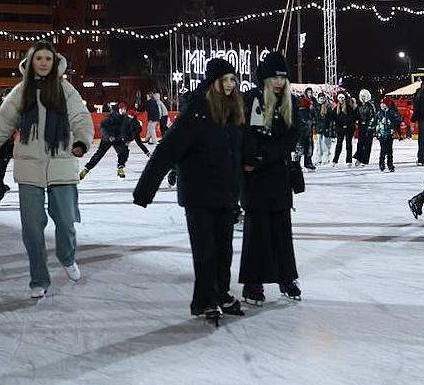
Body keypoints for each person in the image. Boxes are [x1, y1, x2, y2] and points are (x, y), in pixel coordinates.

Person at [0, 41, 94, 299]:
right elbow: (1, 127)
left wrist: (82, 142)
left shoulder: (65, 90)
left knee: (65, 220)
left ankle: (67, 256)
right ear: (30, 62)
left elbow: (81, 118)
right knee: (31, 227)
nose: (44, 63)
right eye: (39, 58)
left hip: (62, 160)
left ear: (55, 63)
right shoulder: (20, 92)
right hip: (29, 165)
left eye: (48, 59)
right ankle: (39, 278)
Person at [133, 58, 248, 324]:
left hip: (225, 192)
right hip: (198, 193)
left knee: (224, 250)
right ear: (213, 82)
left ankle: (221, 294)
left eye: (233, 79)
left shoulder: (235, 111)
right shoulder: (197, 111)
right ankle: (205, 301)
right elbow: (168, 149)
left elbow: (243, 151)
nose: (230, 85)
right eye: (225, 80)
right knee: (205, 251)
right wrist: (145, 190)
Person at [239, 51, 303, 306]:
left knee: (281, 230)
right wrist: (255, 157)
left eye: (283, 77)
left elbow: (292, 136)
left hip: (278, 175)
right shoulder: (254, 99)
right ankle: (253, 281)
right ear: (266, 78)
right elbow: (246, 133)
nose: (279, 82)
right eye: (275, 77)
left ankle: (286, 277)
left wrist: (269, 155)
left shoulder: (290, 102)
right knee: (256, 232)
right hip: (255, 177)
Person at [80, 101, 149, 179]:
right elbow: (103, 127)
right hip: (107, 139)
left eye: (124, 109)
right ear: (118, 109)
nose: (123, 111)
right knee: (99, 154)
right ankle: (86, 169)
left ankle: (121, 167)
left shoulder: (126, 119)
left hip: (118, 139)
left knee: (124, 152)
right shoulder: (111, 117)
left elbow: (133, 130)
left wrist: (128, 140)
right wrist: (109, 136)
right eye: (121, 109)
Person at [372, 96, 402, 172]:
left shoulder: (391, 112)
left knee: (389, 150)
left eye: (384, 104)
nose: (382, 105)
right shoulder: (379, 113)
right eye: (381, 103)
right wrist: (372, 128)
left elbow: (397, 121)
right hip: (381, 134)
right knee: (383, 149)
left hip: (389, 134)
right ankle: (381, 163)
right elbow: (374, 121)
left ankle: (390, 164)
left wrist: (399, 132)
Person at [332, 92, 355, 165]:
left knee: (349, 144)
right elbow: (335, 118)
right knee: (339, 144)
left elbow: (351, 117)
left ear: (344, 98)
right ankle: (335, 160)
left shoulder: (349, 107)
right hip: (340, 129)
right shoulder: (336, 109)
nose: (341, 99)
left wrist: (346, 124)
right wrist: (340, 125)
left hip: (348, 128)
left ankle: (349, 160)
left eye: (342, 98)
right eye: (340, 98)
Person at [353, 89, 376, 166]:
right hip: (361, 127)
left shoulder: (370, 105)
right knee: (360, 143)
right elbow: (355, 116)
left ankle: (365, 160)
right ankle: (359, 158)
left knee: (367, 145)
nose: (362, 98)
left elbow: (373, 116)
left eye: (364, 96)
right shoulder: (359, 106)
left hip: (368, 127)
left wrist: (370, 126)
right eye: (361, 96)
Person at [297, 87, 317, 171]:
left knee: (309, 146)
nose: (309, 94)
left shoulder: (314, 102)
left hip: (309, 129)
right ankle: (296, 163)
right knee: (300, 147)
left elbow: (315, 115)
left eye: (310, 92)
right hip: (301, 129)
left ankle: (308, 162)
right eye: (308, 92)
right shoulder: (301, 103)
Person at [313, 92, 335, 165]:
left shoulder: (328, 107)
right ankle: (318, 158)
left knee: (326, 144)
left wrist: (330, 127)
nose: (322, 100)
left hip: (326, 127)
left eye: (323, 98)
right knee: (318, 144)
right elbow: (313, 117)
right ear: (318, 99)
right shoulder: (315, 107)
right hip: (318, 128)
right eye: (320, 98)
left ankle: (326, 157)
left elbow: (331, 118)